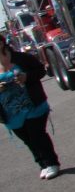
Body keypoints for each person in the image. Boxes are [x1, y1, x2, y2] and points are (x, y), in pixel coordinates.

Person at [0, 37, 60, 179]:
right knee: (28, 139)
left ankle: (52, 162)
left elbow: (41, 71)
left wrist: (26, 77)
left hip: (33, 104)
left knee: (37, 134)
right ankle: (43, 164)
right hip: (9, 112)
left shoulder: (22, 58)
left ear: (2, 42)